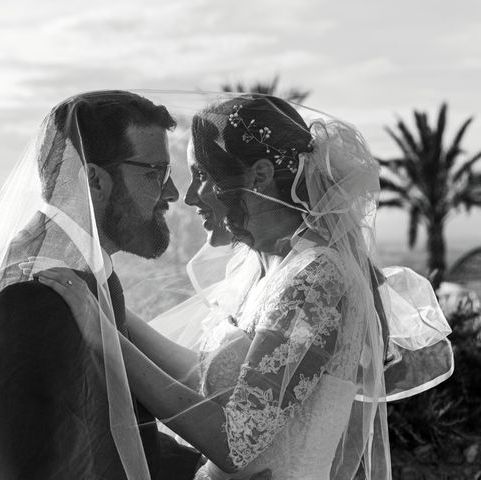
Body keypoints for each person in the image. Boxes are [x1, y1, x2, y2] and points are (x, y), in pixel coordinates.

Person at [35, 95, 452, 480]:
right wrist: (106, 305)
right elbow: (208, 375)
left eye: (203, 176)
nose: (191, 197)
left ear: (260, 174)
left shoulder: (316, 279)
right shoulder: (270, 267)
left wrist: (106, 338)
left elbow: (236, 444)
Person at [0, 91, 202, 480]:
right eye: (154, 173)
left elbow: (117, 432)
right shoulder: (30, 295)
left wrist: (204, 470)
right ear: (95, 181)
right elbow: (32, 467)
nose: (171, 193)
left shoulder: (89, 273)